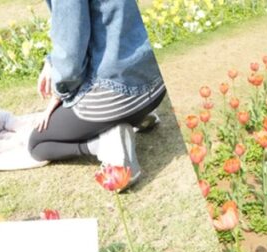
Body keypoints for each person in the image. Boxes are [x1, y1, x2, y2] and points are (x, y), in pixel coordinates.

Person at [28, 0, 166, 188]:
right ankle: (138, 117)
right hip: (156, 83)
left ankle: (107, 141)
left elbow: (70, 55)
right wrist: (51, 61)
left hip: (117, 94)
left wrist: (58, 94)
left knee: (37, 144)